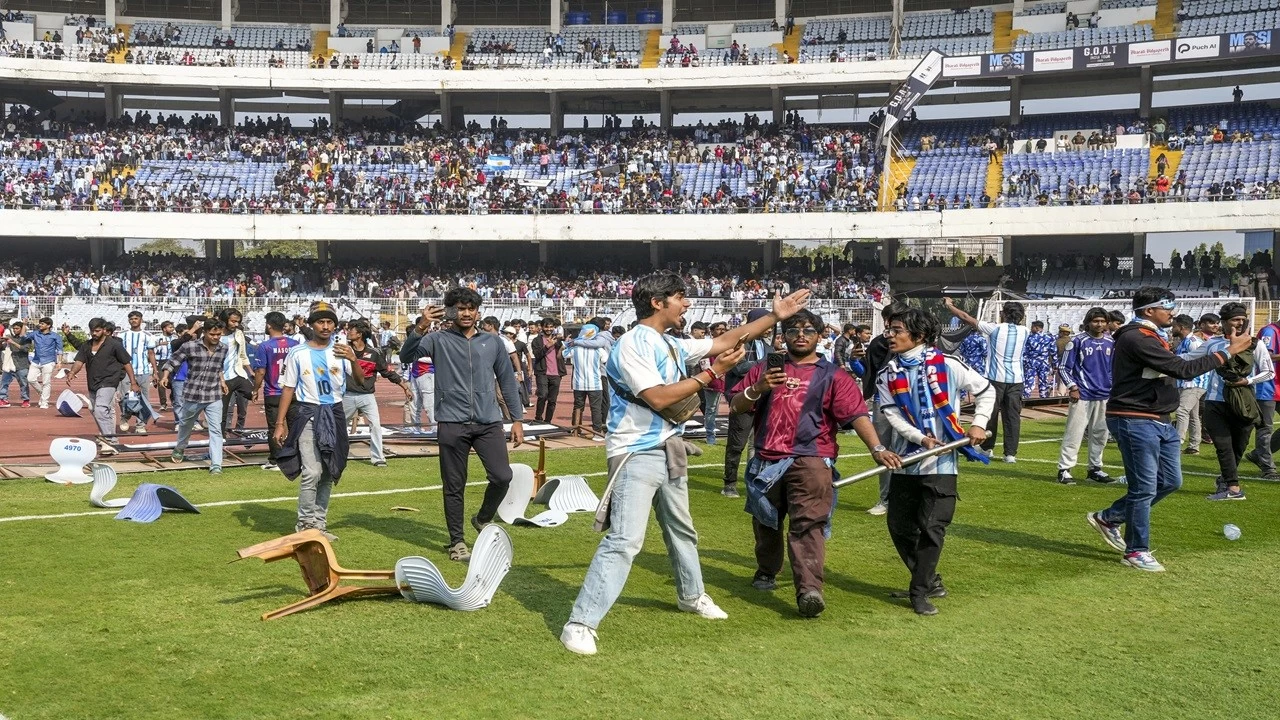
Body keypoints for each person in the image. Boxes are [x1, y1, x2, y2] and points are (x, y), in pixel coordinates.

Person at [560, 275, 810, 656]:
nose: (687, 304)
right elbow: (659, 398)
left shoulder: (669, 342)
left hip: (668, 448)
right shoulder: (632, 343)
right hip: (636, 452)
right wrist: (713, 373)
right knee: (626, 540)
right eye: (680, 297)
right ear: (658, 302)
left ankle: (691, 596)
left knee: (681, 530)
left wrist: (774, 316)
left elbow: (727, 341)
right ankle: (580, 623)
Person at [729, 308, 901, 617]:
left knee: (808, 524)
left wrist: (877, 447)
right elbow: (736, 405)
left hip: (811, 459)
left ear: (820, 336)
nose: (800, 335)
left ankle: (809, 590)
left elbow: (856, 415)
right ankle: (767, 569)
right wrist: (759, 388)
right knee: (766, 521)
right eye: (794, 329)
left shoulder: (833, 375)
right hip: (766, 458)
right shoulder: (765, 368)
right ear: (783, 336)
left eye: (809, 330)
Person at [1085, 288, 1248, 572]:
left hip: (1157, 418)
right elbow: (1181, 370)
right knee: (1144, 488)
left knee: (1171, 481)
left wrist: (1218, 348)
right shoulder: (1137, 337)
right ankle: (1136, 551)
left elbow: (1179, 364)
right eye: (1166, 308)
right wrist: (1226, 353)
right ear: (1149, 310)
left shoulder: (1150, 336)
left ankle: (1109, 517)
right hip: (1135, 418)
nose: (1172, 313)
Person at [877, 307, 993, 615]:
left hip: (942, 466)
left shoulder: (948, 365)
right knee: (899, 526)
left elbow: (986, 391)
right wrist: (922, 439)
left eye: (896, 330)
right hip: (906, 462)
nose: (890, 336)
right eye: (889, 330)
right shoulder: (888, 373)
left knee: (931, 527)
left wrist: (979, 423)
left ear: (918, 335)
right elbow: (892, 414)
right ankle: (929, 579)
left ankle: (919, 592)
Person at [399, 288, 525, 562]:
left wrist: (517, 419)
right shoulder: (436, 339)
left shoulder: (492, 342)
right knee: (454, 485)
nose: (466, 313)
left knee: (502, 476)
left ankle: (481, 518)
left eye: (471, 308)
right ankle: (456, 541)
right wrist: (421, 325)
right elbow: (405, 356)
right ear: (450, 311)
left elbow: (506, 381)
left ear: (478, 311)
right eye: (460, 308)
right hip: (452, 422)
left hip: (488, 421)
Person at [273, 302, 365, 541]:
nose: (325, 327)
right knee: (312, 471)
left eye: (329, 322)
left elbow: (361, 381)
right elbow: (288, 389)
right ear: (312, 325)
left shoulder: (342, 351)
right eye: (320, 322)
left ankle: (319, 525)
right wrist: (280, 423)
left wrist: (354, 359)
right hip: (308, 414)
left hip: (334, 413)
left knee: (328, 471)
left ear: (335, 325)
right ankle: (305, 525)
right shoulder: (297, 353)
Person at [1191, 302, 1273, 501]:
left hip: (1244, 402)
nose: (1240, 322)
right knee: (1223, 446)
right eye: (1236, 319)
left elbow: (1269, 372)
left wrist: (1248, 380)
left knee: (1238, 447)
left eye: (1243, 318)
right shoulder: (1212, 344)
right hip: (1215, 402)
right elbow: (1188, 358)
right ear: (1225, 322)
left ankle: (1225, 480)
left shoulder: (1255, 343)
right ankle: (1234, 488)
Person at [944, 298, 1027, 462]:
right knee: (1012, 417)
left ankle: (987, 448)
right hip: (1017, 379)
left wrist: (949, 305)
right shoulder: (1025, 331)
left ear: (1003, 314)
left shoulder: (994, 329)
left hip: (996, 379)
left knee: (990, 414)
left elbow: (966, 317)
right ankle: (1010, 454)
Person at [160, 319, 230, 474]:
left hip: (213, 394)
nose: (216, 337)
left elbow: (219, 367)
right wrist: (165, 376)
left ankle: (216, 464)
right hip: (193, 394)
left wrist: (223, 382)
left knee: (216, 430)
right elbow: (172, 361)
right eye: (212, 334)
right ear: (204, 332)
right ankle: (180, 447)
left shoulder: (224, 348)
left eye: (219, 334)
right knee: (186, 424)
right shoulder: (190, 346)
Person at [1056, 308, 1116, 484]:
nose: (1099, 324)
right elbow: (1063, 368)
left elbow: (1113, 368)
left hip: (1104, 394)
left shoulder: (1110, 342)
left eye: (1103, 321)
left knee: (1100, 434)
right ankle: (1064, 469)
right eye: (1096, 321)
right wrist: (1072, 387)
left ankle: (1095, 469)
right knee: (1074, 433)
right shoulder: (1076, 342)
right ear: (1088, 322)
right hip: (1083, 394)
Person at [65, 318, 141, 456]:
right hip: (93, 382)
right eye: (92, 331)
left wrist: (133, 382)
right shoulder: (87, 346)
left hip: (109, 381)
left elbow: (126, 363)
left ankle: (110, 441)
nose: (94, 333)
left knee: (101, 409)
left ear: (104, 331)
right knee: (95, 410)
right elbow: (79, 361)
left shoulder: (114, 345)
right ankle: (109, 438)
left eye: (97, 330)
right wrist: (72, 372)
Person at [343, 319, 411, 467]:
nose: (348, 332)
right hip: (346, 395)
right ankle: (337, 454)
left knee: (375, 425)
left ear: (359, 334)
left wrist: (404, 386)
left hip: (367, 396)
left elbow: (387, 372)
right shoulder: (343, 351)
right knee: (338, 426)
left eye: (351, 330)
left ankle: (378, 457)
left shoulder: (374, 354)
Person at [722, 308, 773, 498]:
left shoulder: (768, 347)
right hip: (742, 400)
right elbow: (738, 368)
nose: (769, 328)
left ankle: (754, 481)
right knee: (736, 445)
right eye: (766, 323)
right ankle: (729, 484)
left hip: (763, 401)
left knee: (758, 445)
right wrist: (764, 362)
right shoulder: (740, 344)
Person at [251, 312, 299, 471]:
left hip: (274, 392)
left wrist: (255, 389)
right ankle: (296, 458)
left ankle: (276, 460)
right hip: (293, 392)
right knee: (294, 426)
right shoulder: (294, 344)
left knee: (274, 427)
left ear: (269, 325)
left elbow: (260, 372)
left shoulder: (265, 346)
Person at [1246, 315, 1280, 479]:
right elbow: (1264, 356)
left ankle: (1257, 454)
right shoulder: (1270, 331)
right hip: (1267, 386)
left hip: (1278, 388)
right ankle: (1268, 468)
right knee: (1265, 428)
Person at [1173, 314, 1212, 456]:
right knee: (1192, 414)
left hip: (1194, 382)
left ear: (1181, 327)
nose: (1172, 328)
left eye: (1174, 326)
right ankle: (1194, 445)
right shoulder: (1183, 341)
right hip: (1187, 382)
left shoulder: (1193, 342)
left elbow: (1201, 362)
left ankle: (1176, 444)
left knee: (1181, 411)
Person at [564, 323, 608, 441]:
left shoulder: (575, 348)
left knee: (578, 407)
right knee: (596, 408)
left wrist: (567, 343)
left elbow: (563, 354)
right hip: (595, 384)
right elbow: (605, 360)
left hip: (579, 383)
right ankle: (597, 432)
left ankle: (576, 429)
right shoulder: (599, 350)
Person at [118, 311, 157, 434]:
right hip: (125, 371)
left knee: (144, 399)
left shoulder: (148, 335)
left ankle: (140, 424)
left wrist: (155, 371)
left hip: (143, 371)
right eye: (131, 319)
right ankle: (125, 416)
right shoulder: (122, 335)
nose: (134, 320)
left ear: (141, 320)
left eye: (136, 318)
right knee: (125, 397)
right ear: (128, 320)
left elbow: (151, 353)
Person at [219, 308, 253, 434]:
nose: (236, 324)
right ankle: (221, 437)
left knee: (252, 393)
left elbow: (243, 355)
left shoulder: (238, 334)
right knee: (223, 410)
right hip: (222, 377)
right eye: (233, 321)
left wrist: (251, 371)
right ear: (224, 320)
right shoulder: (215, 334)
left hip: (237, 374)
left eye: (238, 322)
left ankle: (241, 428)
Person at [531, 318, 565, 424]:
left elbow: (561, 356)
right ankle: (538, 417)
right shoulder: (536, 341)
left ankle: (548, 421)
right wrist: (547, 346)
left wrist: (565, 347)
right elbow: (537, 355)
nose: (549, 329)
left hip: (556, 373)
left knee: (552, 400)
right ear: (542, 327)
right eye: (546, 326)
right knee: (543, 395)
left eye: (551, 327)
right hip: (542, 372)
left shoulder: (558, 340)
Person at [25, 317, 64, 409]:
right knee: (30, 379)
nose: (40, 325)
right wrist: (24, 324)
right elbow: (24, 336)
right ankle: (43, 393)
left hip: (48, 361)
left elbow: (60, 350)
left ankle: (44, 402)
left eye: (42, 324)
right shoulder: (35, 334)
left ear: (48, 325)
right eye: (40, 323)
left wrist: (59, 362)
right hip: (36, 360)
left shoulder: (55, 336)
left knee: (46, 382)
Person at [1021, 321, 1057, 399]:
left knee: (1029, 382)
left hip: (1031, 362)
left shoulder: (1029, 337)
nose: (1031, 329)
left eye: (1032, 327)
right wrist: (1055, 364)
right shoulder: (1049, 337)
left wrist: (1024, 362)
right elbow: (1053, 352)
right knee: (1043, 381)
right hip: (1044, 363)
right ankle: (1043, 398)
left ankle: (1025, 398)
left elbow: (1024, 351)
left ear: (1036, 328)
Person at [0, 321, 31, 408]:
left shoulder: (26, 339)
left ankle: (25, 400)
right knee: (4, 382)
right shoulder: (9, 337)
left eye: (17, 328)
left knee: (23, 383)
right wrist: (2, 341)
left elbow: (25, 349)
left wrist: (12, 342)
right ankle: (3, 399)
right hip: (9, 364)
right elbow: (2, 347)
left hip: (22, 364)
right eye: (14, 328)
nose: (15, 330)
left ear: (22, 329)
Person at [153, 321, 176, 411]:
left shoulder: (174, 338)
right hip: (161, 362)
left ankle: (174, 400)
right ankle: (163, 404)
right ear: (164, 329)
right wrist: (159, 344)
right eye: (170, 327)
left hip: (173, 362)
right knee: (161, 383)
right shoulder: (157, 338)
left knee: (173, 383)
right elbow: (150, 348)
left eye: (172, 327)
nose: (172, 329)